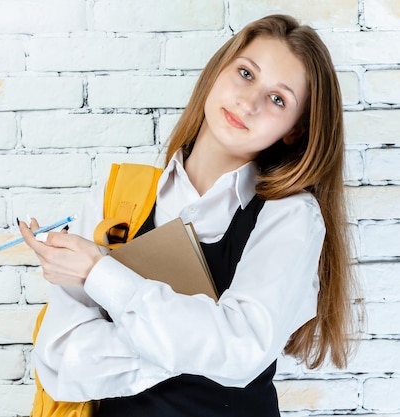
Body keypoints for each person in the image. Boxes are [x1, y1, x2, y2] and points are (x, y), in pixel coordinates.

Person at [19, 14, 355, 417]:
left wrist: (100, 274)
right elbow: (62, 359)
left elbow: (241, 348)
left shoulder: (290, 216)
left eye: (278, 99)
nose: (249, 103)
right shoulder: (114, 197)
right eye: (246, 74)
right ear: (218, 72)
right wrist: (199, 342)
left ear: (295, 131)